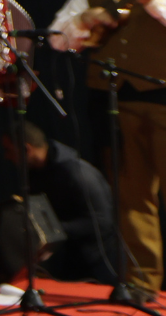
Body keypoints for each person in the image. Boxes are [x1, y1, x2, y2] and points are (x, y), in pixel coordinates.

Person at [48, 0, 166, 302]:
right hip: (114, 101)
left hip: (164, 96)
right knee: (131, 197)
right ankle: (142, 281)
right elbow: (56, 38)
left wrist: (156, 4)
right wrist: (84, 22)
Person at [9, 122, 118, 285]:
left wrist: (53, 232)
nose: (6, 157)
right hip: (67, 263)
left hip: (98, 266)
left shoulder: (78, 173)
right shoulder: (34, 174)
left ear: (27, 149)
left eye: (9, 151)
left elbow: (102, 222)